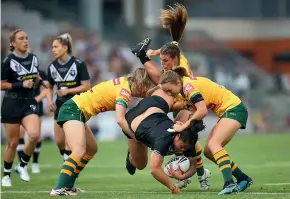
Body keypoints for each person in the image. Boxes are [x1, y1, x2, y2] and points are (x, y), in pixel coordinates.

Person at [130, 3, 210, 190]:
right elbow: (169, 48)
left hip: (188, 103)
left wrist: (163, 105)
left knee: (186, 136)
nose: (163, 62)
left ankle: (199, 173)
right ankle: (196, 172)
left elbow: (178, 97)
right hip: (181, 100)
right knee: (183, 137)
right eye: (162, 60)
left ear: (174, 60)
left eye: (165, 61)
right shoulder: (173, 54)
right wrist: (156, 52)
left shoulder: (179, 72)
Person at [50, 68, 154, 196]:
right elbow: (120, 120)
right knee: (79, 150)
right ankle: (59, 188)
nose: (145, 92)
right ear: (140, 82)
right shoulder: (124, 90)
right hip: (73, 109)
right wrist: (135, 137)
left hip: (77, 111)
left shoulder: (124, 83)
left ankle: (68, 185)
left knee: (91, 148)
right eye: (146, 87)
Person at [159, 67, 253, 195]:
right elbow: (188, 110)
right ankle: (242, 178)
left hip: (234, 109)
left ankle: (229, 183)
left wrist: (183, 126)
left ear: (177, 82)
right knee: (209, 151)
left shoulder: (188, 88)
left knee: (214, 144)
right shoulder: (183, 89)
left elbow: (202, 111)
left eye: (170, 90)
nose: (170, 94)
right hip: (228, 111)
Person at [124, 86, 205, 194]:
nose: (184, 149)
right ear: (177, 136)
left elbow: (194, 165)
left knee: (186, 113)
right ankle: (131, 156)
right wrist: (172, 187)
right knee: (140, 165)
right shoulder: (164, 140)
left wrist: (183, 176)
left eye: (187, 147)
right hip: (132, 121)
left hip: (153, 114)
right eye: (183, 145)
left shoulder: (188, 141)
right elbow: (154, 169)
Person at [1, 29, 47, 186]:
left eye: (26, 38)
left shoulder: (33, 58)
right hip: (11, 103)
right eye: (21, 38)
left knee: (34, 135)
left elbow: (34, 76)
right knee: (13, 143)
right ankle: (6, 175)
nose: (25, 41)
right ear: (13, 44)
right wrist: (20, 84)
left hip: (28, 102)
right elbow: (1, 84)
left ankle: (22, 165)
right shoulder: (8, 61)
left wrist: (41, 82)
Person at [46, 33, 90, 161]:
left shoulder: (78, 64)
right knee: (59, 141)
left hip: (75, 104)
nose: (53, 49)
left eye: (56, 46)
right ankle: (66, 160)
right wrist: (49, 101)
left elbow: (86, 86)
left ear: (65, 48)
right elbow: (49, 86)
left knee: (69, 142)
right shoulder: (52, 67)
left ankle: (68, 171)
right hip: (59, 105)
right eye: (52, 47)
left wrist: (67, 91)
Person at [15, 69, 47, 174]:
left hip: (35, 105)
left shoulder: (39, 72)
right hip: (20, 105)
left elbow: (47, 88)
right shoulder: (15, 71)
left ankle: (35, 163)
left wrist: (36, 99)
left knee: (36, 136)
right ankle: (22, 165)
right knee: (19, 134)